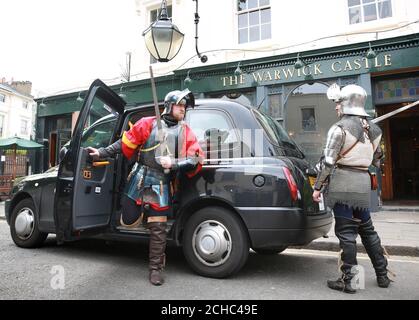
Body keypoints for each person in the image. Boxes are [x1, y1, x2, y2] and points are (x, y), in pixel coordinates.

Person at [87, 89, 203, 286]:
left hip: (161, 184)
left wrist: (173, 163)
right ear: (169, 106)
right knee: (128, 219)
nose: (183, 109)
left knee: (158, 229)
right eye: (180, 105)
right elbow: (124, 144)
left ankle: (155, 268)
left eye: (185, 106)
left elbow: (197, 158)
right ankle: (142, 216)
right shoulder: (147, 124)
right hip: (138, 178)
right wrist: (100, 152)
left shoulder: (186, 132)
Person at [312, 84, 391, 294]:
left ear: (345, 103)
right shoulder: (374, 129)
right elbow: (378, 159)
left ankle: (349, 281)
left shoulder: (338, 129)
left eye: (338, 103)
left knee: (346, 233)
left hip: (344, 183)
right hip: (363, 183)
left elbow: (329, 162)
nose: (336, 107)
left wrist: (317, 187)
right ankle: (382, 276)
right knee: (367, 230)